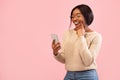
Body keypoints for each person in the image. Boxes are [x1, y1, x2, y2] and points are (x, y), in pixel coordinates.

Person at [52, 4, 102, 80]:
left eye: (78, 16)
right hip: (69, 74)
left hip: (87, 75)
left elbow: (88, 61)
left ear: (87, 16)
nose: (74, 19)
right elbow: (65, 60)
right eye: (72, 16)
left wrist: (81, 36)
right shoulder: (67, 34)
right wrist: (56, 53)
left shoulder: (96, 36)